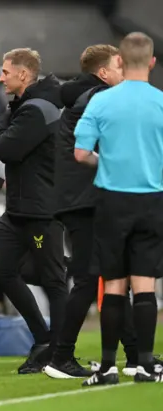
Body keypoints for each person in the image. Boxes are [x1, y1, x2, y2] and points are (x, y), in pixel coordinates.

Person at [46, 44, 143, 379]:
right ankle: (61, 357)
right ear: (104, 72)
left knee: (113, 278)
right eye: (119, 67)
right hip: (86, 201)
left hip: (80, 200)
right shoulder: (98, 99)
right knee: (91, 280)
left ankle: (135, 357)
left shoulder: (82, 98)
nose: (124, 74)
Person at [75, 32, 163, 386]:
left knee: (113, 284)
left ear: (121, 62)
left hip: (112, 198)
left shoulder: (101, 102)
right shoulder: (161, 102)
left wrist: (107, 161)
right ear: (153, 62)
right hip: (152, 199)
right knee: (145, 284)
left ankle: (108, 367)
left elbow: (80, 153)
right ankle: (145, 365)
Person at [0, 48, 68, 374]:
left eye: (6, 71)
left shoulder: (36, 110)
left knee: (53, 280)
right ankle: (43, 339)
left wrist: (0, 121)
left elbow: (6, 148)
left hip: (40, 212)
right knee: (0, 270)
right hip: (19, 210)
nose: (0, 76)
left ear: (23, 74)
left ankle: (62, 351)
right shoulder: (27, 107)